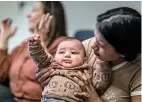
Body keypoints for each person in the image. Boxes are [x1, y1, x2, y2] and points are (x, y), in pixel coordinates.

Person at [36, 7, 141, 102]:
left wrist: (94, 99)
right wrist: (49, 77)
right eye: (95, 37)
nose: (92, 45)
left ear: (123, 52)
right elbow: (57, 66)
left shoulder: (138, 73)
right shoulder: (87, 46)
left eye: (101, 44)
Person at [0, 1, 67, 102]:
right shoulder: (24, 45)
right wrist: (3, 39)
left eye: (34, 10)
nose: (28, 14)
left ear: (49, 16)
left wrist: (41, 45)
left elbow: (55, 84)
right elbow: (2, 75)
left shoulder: (64, 46)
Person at [28, 35, 111, 102]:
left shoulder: (85, 72)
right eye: (61, 52)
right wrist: (35, 45)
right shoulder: (52, 65)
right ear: (54, 56)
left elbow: (100, 84)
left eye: (73, 52)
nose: (67, 55)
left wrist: (102, 64)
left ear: (84, 60)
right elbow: (40, 58)